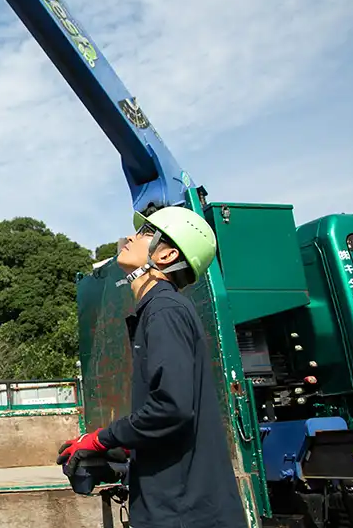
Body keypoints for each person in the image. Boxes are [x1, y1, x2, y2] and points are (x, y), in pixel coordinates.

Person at [57, 206, 248, 528]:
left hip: (182, 511)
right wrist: (129, 447)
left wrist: (102, 438)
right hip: (182, 504)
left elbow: (171, 408)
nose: (130, 237)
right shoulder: (161, 308)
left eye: (146, 233)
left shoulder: (164, 310)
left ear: (167, 254)